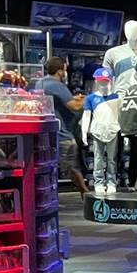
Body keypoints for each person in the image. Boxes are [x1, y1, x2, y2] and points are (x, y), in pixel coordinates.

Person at [33, 57, 89, 195]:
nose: (65, 72)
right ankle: (86, 194)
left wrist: (74, 99)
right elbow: (75, 106)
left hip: (48, 134)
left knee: (50, 167)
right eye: (64, 69)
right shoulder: (56, 85)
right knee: (72, 168)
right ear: (60, 71)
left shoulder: (40, 83)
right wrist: (91, 98)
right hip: (63, 135)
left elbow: (58, 101)